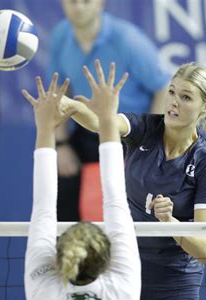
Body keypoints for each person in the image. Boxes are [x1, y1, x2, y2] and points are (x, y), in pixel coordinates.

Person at [61, 60, 206, 300]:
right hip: (126, 264)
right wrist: (68, 106)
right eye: (172, 92)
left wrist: (170, 221)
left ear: (205, 107)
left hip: (174, 278)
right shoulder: (144, 128)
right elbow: (102, 123)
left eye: (186, 97)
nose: (174, 101)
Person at [22, 66, 140, 300]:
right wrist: (107, 117)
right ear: (106, 262)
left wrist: (46, 128)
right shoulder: (122, 288)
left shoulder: (42, 290)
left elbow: (43, 206)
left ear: (57, 258)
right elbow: (117, 197)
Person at [49, 0, 171, 222]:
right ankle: (70, 246)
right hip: (88, 126)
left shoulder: (128, 40)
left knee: (131, 203)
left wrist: (150, 146)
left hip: (128, 131)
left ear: (100, 4)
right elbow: (57, 90)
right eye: (72, 1)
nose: (78, 7)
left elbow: (163, 88)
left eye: (86, 1)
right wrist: (61, 144)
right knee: (59, 175)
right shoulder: (60, 35)